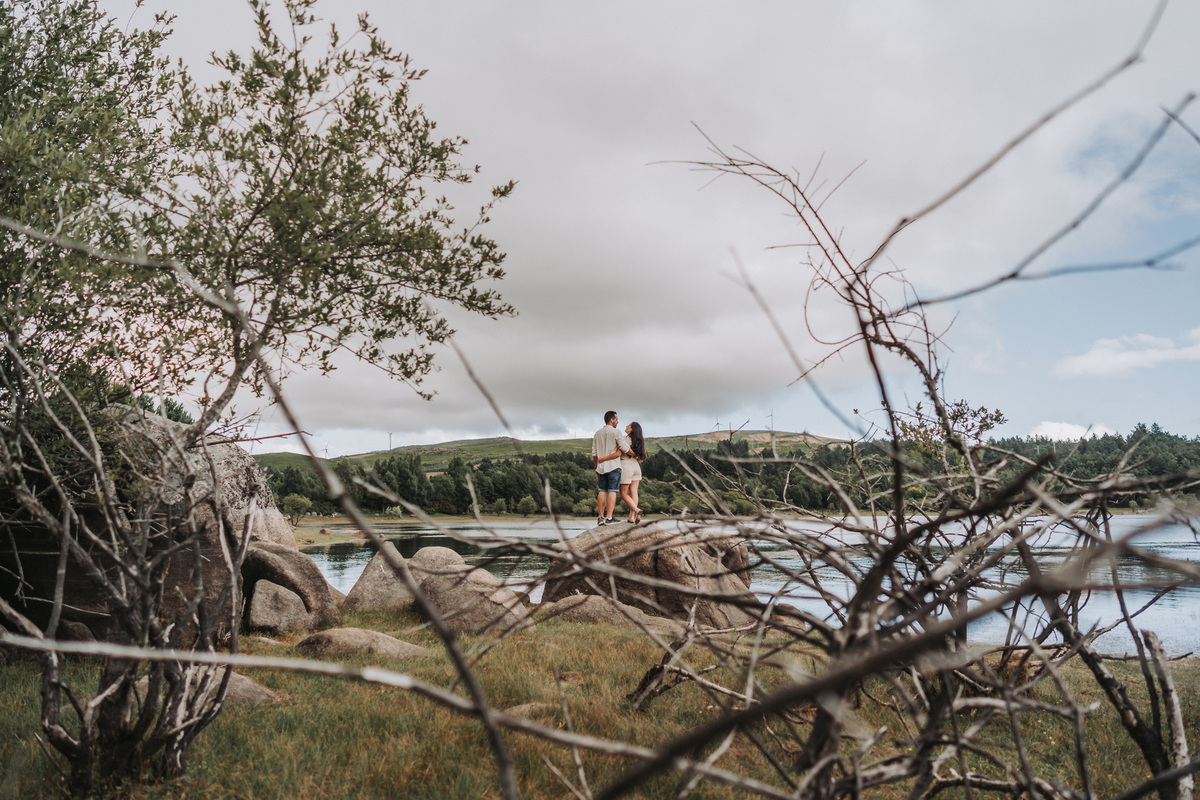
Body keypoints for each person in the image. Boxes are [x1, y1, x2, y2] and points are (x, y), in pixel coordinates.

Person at [591, 410, 623, 525]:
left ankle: (600, 517)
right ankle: (609, 518)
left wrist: (596, 466)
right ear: (612, 420)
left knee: (602, 491)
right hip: (614, 466)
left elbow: (594, 453)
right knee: (612, 491)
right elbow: (623, 447)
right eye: (616, 419)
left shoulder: (597, 433)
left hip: (601, 467)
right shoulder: (616, 432)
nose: (617, 422)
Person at [618, 421, 647, 522]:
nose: (626, 426)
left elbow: (621, 450)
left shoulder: (626, 439)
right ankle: (631, 517)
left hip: (626, 465)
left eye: (628, 425)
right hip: (636, 466)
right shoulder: (640, 441)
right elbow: (641, 458)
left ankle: (636, 510)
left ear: (632, 429)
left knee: (623, 493)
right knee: (634, 492)